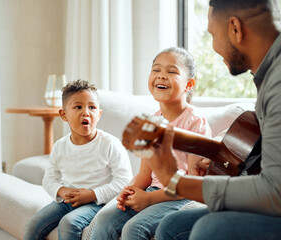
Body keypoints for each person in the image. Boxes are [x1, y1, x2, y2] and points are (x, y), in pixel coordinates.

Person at [145, 1, 281, 240]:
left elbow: (276, 194)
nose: (213, 46)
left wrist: (176, 182)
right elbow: (271, 152)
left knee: (210, 230)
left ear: (235, 28)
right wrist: (171, 138)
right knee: (172, 226)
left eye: (213, 34)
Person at [90, 47, 212, 240]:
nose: (162, 76)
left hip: (179, 196)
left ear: (189, 84)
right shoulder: (151, 122)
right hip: (152, 190)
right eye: (156, 70)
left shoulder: (195, 122)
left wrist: (148, 199)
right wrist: (128, 191)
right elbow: (145, 174)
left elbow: (192, 181)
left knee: (134, 229)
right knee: (105, 218)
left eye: (171, 71)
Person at [24, 79, 133, 240]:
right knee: (33, 225)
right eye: (78, 107)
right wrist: (62, 191)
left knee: (69, 223)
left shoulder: (110, 144)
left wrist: (92, 194)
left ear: (99, 114)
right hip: (67, 201)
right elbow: (49, 179)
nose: (86, 112)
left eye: (92, 107)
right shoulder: (60, 146)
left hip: (97, 203)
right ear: (64, 115)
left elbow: (125, 181)